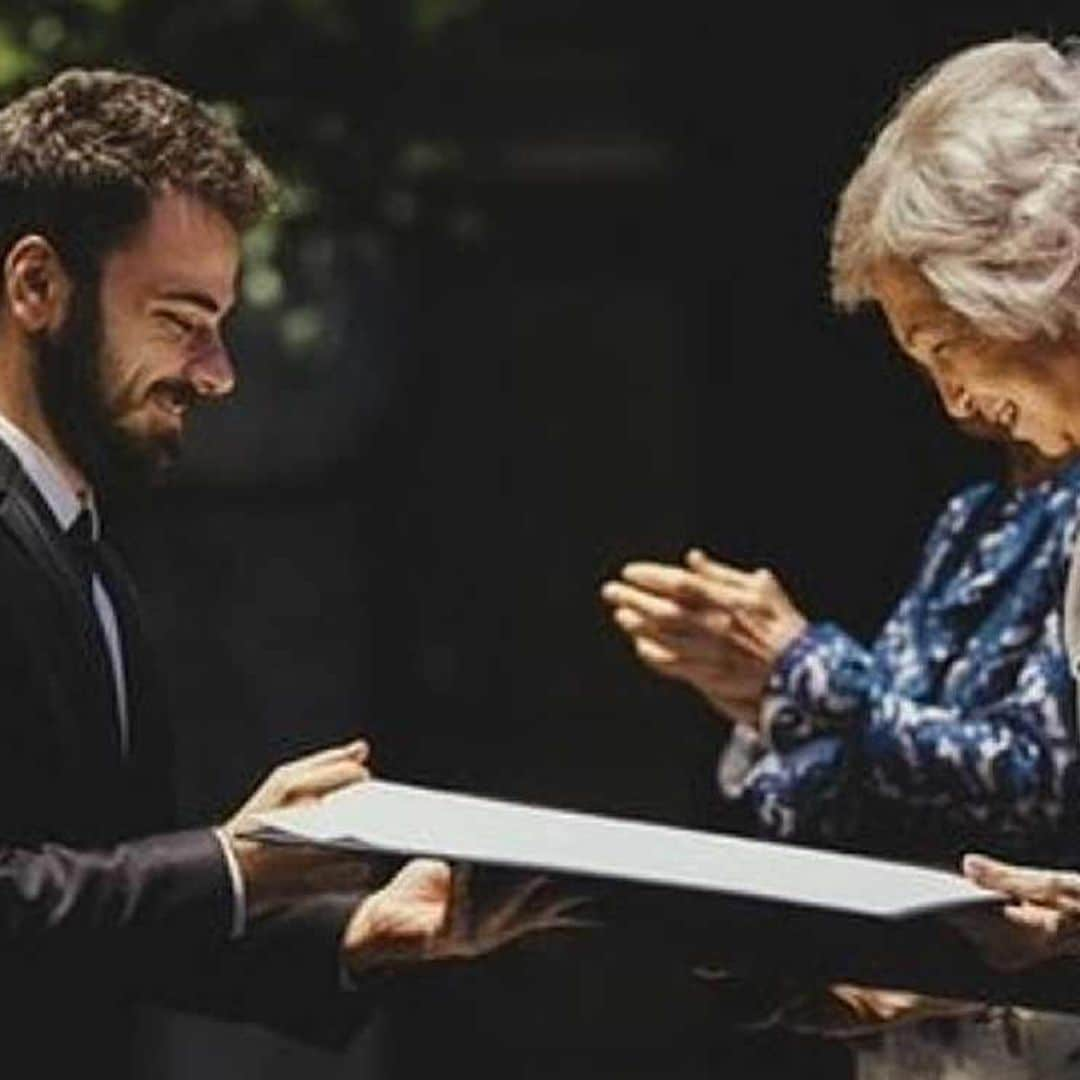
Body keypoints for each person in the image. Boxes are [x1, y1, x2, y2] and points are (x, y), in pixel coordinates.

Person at [0, 68, 565, 1075]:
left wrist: (350, 933)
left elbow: (94, 916)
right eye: (180, 318)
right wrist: (229, 865)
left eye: (219, 321)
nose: (218, 373)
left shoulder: (80, 544)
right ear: (36, 287)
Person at [605, 37, 1080, 1078]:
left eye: (947, 346)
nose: (955, 403)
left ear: (1033, 264)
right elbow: (885, 783)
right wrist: (771, 705)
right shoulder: (976, 521)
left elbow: (1037, 771)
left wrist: (809, 671)